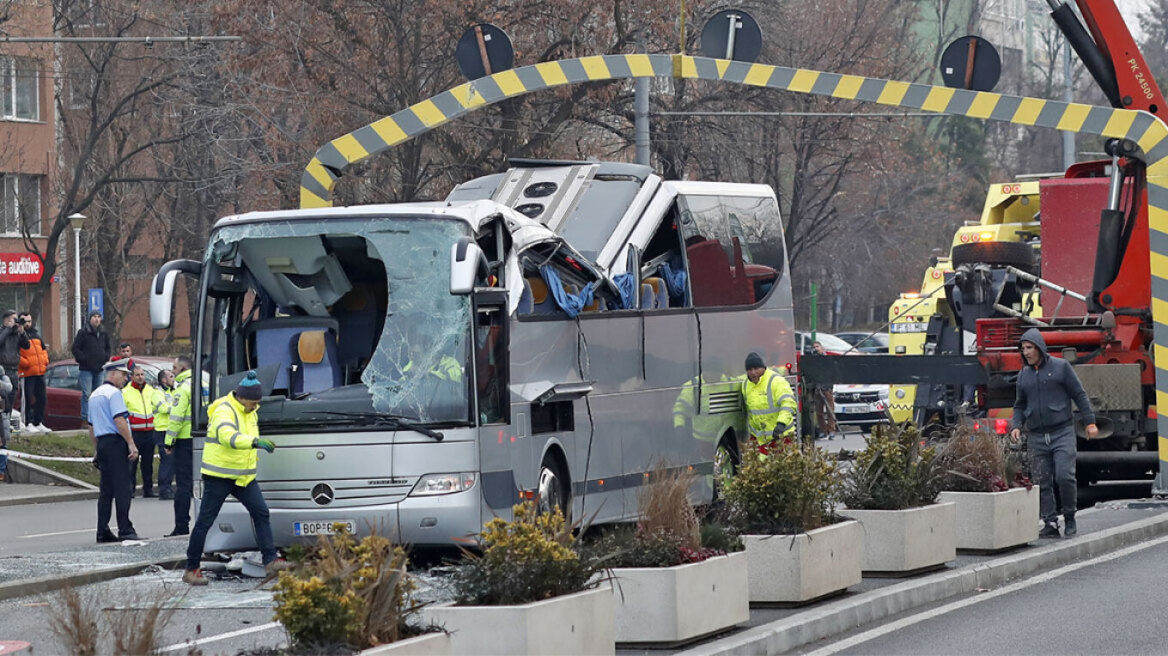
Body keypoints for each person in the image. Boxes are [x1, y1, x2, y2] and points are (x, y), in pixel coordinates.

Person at [183, 371, 290, 585]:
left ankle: (270, 561)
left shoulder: (250, 411)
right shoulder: (224, 409)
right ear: (241, 397)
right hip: (219, 476)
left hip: (243, 477)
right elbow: (227, 437)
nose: (255, 406)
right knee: (205, 521)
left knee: (261, 513)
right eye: (253, 402)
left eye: (257, 402)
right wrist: (254, 442)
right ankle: (191, 569)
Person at [1009, 329, 1098, 538]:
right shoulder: (1023, 375)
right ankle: (1049, 521)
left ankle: (1069, 516)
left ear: (1039, 348)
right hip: (1037, 436)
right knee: (1042, 481)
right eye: (1023, 349)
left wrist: (1090, 422)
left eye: (1029, 348)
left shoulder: (1061, 367)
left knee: (1065, 476)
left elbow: (1079, 394)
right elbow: (1019, 405)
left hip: (1062, 432)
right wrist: (1016, 425)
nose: (1026, 352)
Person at [91, 357, 140, 542]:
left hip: (103, 443)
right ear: (113, 374)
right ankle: (125, 529)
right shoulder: (114, 394)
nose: (126, 379)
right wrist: (131, 443)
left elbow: (90, 426)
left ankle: (102, 530)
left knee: (106, 490)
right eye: (123, 375)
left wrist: (96, 448)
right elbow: (119, 420)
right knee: (122, 488)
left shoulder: (95, 394)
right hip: (116, 443)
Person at [740, 351, 799, 457]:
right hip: (760, 441)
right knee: (762, 466)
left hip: (782, 436)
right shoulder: (745, 385)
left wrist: (781, 423)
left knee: (783, 465)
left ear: (763, 367)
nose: (753, 372)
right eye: (749, 369)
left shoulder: (776, 381)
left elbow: (788, 403)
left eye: (756, 368)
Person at [164, 356, 196, 536]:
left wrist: (169, 442)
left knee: (183, 486)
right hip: (204, 439)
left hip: (184, 441)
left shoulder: (182, 389)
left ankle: (182, 526)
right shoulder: (204, 384)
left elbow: (176, 418)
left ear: (183, 369)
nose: (172, 371)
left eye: (174, 368)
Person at [123, 365, 158, 497]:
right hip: (134, 432)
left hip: (149, 431)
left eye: (142, 374)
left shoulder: (151, 390)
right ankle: (130, 489)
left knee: (148, 464)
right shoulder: (125, 392)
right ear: (131, 377)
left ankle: (148, 490)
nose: (140, 377)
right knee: (132, 463)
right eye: (137, 375)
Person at [72, 311, 111, 426]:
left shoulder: (103, 333)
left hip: (100, 368)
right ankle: (85, 419)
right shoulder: (83, 332)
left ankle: (97, 418)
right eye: (94, 317)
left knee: (98, 394)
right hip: (86, 369)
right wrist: (83, 359)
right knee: (87, 394)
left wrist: (105, 357)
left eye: (99, 317)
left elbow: (108, 348)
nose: (97, 319)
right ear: (90, 319)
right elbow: (75, 348)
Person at [17, 312, 49, 434]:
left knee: (42, 398)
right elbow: (15, 353)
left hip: (39, 372)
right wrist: (26, 363)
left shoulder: (36, 335)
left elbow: (44, 350)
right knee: (27, 398)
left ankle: (38, 421)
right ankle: (27, 422)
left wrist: (45, 361)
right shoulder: (18, 335)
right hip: (27, 373)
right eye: (25, 321)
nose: (28, 324)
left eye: (29, 321)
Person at [0, 310, 28, 437]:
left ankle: (6, 429)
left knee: (11, 400)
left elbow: (27, 346)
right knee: (3, 401)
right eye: (13, 319)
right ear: (6, 320)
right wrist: (7, 329)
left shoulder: (17, 334)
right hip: (3, 371)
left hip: (14, 370)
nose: (15, 322)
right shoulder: (2, 331)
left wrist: (22, 332)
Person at [153, 369, 177, 500]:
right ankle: (164, 490)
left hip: (172, 430)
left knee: (173, 461)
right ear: (163, 380)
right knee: (167, 461)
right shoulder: (157, 393)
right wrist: (178, 408)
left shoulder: (173, 392)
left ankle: (169, 488)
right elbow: (163, 408)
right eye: (171, 376)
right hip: (162, 430)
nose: (174, 379)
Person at [810, 341, 838, 441]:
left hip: (827, 388)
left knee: (830, 410)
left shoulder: (827, 359)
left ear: (822, 348)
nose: (816, 349)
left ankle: (831, 430)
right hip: (817, 388)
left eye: (817, 347)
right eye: (814, 347)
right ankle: (823, 430)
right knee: (819, 411)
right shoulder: (813, 360)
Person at [0, 366, 11, 482]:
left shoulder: (4, 380)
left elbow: (8, 388)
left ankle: (1, 471)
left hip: (2, 421)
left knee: (2, 445)